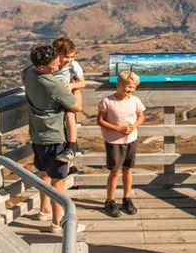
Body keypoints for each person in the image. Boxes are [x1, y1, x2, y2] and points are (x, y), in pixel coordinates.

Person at [24, 44, 87, 235]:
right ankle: (58, 224)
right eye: (55, 62)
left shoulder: (30, 74)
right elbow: (76, 107)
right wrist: (77, 87)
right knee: (59, 182)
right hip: (55, 137)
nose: (59, 62)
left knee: (45, 173)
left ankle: (44, 211)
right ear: (42, 67)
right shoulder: (53, 85)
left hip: (37, 135)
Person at [96, 70, 145, 218]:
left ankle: (127, 198)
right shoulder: (107, 101)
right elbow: (100, 120)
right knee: (115, 171)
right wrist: (118, 128)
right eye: (128, 87)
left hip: (131, 139)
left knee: (128, 169)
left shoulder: (135, 101)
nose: (130, 90)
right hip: (114, 141)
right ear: (118, 85)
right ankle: (110, 201)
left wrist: (134, 126)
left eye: (133, 87)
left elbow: (141, 116)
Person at [51, 36, 86, 165]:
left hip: (66, 95)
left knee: (70, 114)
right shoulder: (51, 65)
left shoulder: (73, 66)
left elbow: (82, 83)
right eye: (66, 57)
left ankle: (71, 146)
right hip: (53, 97)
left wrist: (71, 86)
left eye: (72, 57)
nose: (69, 60)